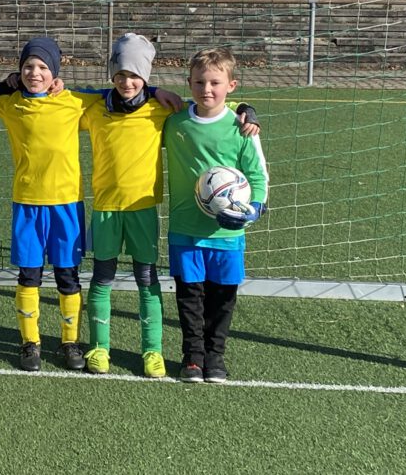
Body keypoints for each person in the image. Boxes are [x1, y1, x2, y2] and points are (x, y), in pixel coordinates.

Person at [80, 33, 258, 378]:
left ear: (145, 76)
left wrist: (245, 109)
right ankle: (99, 347)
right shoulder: (97, 109)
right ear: (111, 75)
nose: (127, 82)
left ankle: (153, 350)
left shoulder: (162, 111)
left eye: (136, 76)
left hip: (144, 209)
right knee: (101, 277)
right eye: (120, 75)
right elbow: (67, 99)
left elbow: (210, 107)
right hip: (105, 209)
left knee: (147, 280)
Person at [0, 37, 101, 372]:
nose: (34, 73)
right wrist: (6, 83)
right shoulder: (10, 103)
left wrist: (155, 91)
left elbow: (115, 96)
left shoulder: (74, 101)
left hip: (67, 205)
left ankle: (70, 342)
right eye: (28, 66)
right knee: (29, 275)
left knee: (68, 276)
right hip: (28, 204)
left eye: (42, 67)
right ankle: (30, 342)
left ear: (55, 73)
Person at [163, 46, 268, 384]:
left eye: (215, 83)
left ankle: (215, 356)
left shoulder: (242, 128)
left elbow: (258, 176)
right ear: (188, 83)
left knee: (222, 299)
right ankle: (193, 358)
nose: (206, 89)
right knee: (189, 298)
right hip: (185, 229)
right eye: (199, 82)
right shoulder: (174, 122)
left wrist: (253, 210)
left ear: (231, 86)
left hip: (227, 233)